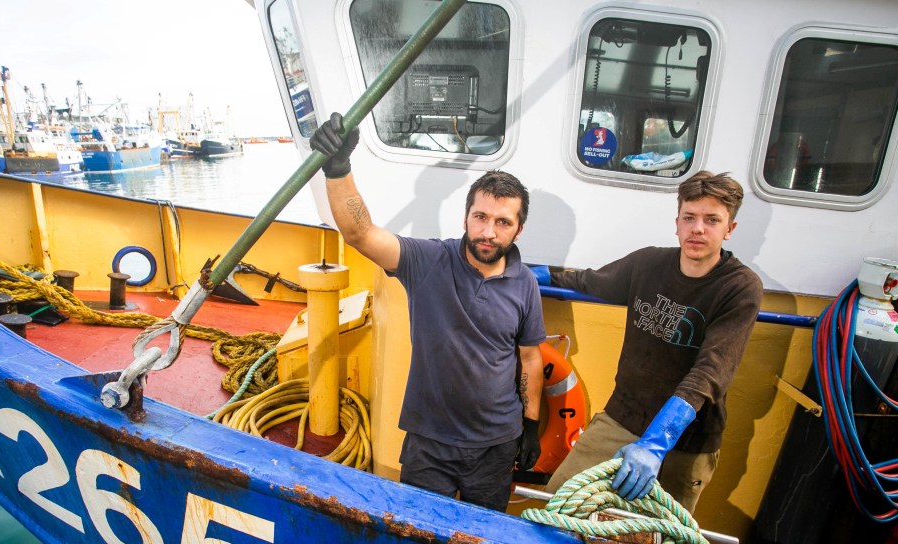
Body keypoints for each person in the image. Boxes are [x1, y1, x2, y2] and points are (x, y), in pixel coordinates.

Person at [310, 112, 545, 511]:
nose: (489, 231)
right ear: (466, 216)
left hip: (496, 446)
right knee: (419, 534)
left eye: (503, 222)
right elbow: (361, 233)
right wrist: (338, 169)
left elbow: (529, 357)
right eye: (481, 217)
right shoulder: (428, 259)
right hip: (429, 442)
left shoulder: (526, 284)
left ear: (518, 230)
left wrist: (532, 428)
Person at [532, 171, 763, 513]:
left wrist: (656, 443)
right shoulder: (648, 263)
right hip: (622, 417)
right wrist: (538, 276)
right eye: (690, 217)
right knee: (560, 503)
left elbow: (709, 374)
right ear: (677, 223)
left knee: (655, 538)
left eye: (712, 220)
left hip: (687, 441)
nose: (698, 228)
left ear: (730, 229)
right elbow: (591, 280)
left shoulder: (740, 287)